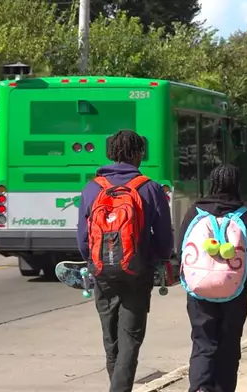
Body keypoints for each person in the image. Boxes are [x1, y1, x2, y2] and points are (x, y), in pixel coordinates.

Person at [76, 130, 173, 392]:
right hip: (137, 272)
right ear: (139, 153)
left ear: (111, 153)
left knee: (111, 341)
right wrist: (158, 259)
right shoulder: (150, 188)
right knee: (130, 339)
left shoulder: (92, 188)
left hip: (102, 273)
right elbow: (164, 238)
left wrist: (94, 262)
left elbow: (83, 238)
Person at [179, 164, 247, 392]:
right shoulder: (246, 216)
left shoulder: (195, 212)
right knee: (229, 347)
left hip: (199, 291)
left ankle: (199, 387)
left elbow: (180, 248)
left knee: (202, 344)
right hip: (234, 293)